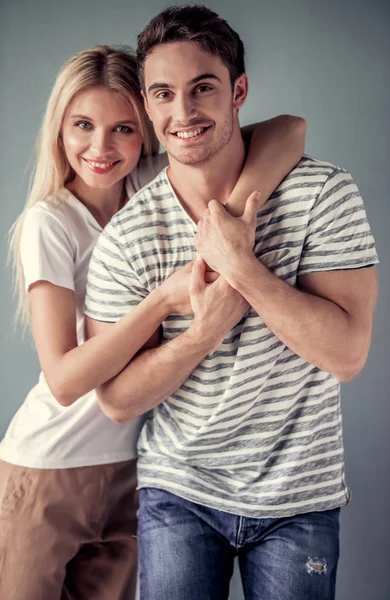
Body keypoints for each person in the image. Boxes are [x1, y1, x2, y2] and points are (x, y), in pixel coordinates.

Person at [85, 6, 379, 600]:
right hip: (179, 490)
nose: (183, 112)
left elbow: (347, 356)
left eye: (203, 89)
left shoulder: (323, 193)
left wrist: (243, 267)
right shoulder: (128, 235)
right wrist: (201, 333)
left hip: (300, 495)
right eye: (163, 94)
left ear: (238, 90)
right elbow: (116, 399)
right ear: (146, 104)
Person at [0, 43, 306, 600]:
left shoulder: (148, 188)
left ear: (147, 129)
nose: (100, 147)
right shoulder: (50, 223)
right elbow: (66, 381)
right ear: (59, 129)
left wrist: (228, 226)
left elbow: (289, 129)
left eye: (123, 128)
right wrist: (164, 302)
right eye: (83, 126)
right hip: (47, 467)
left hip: (130, 469)